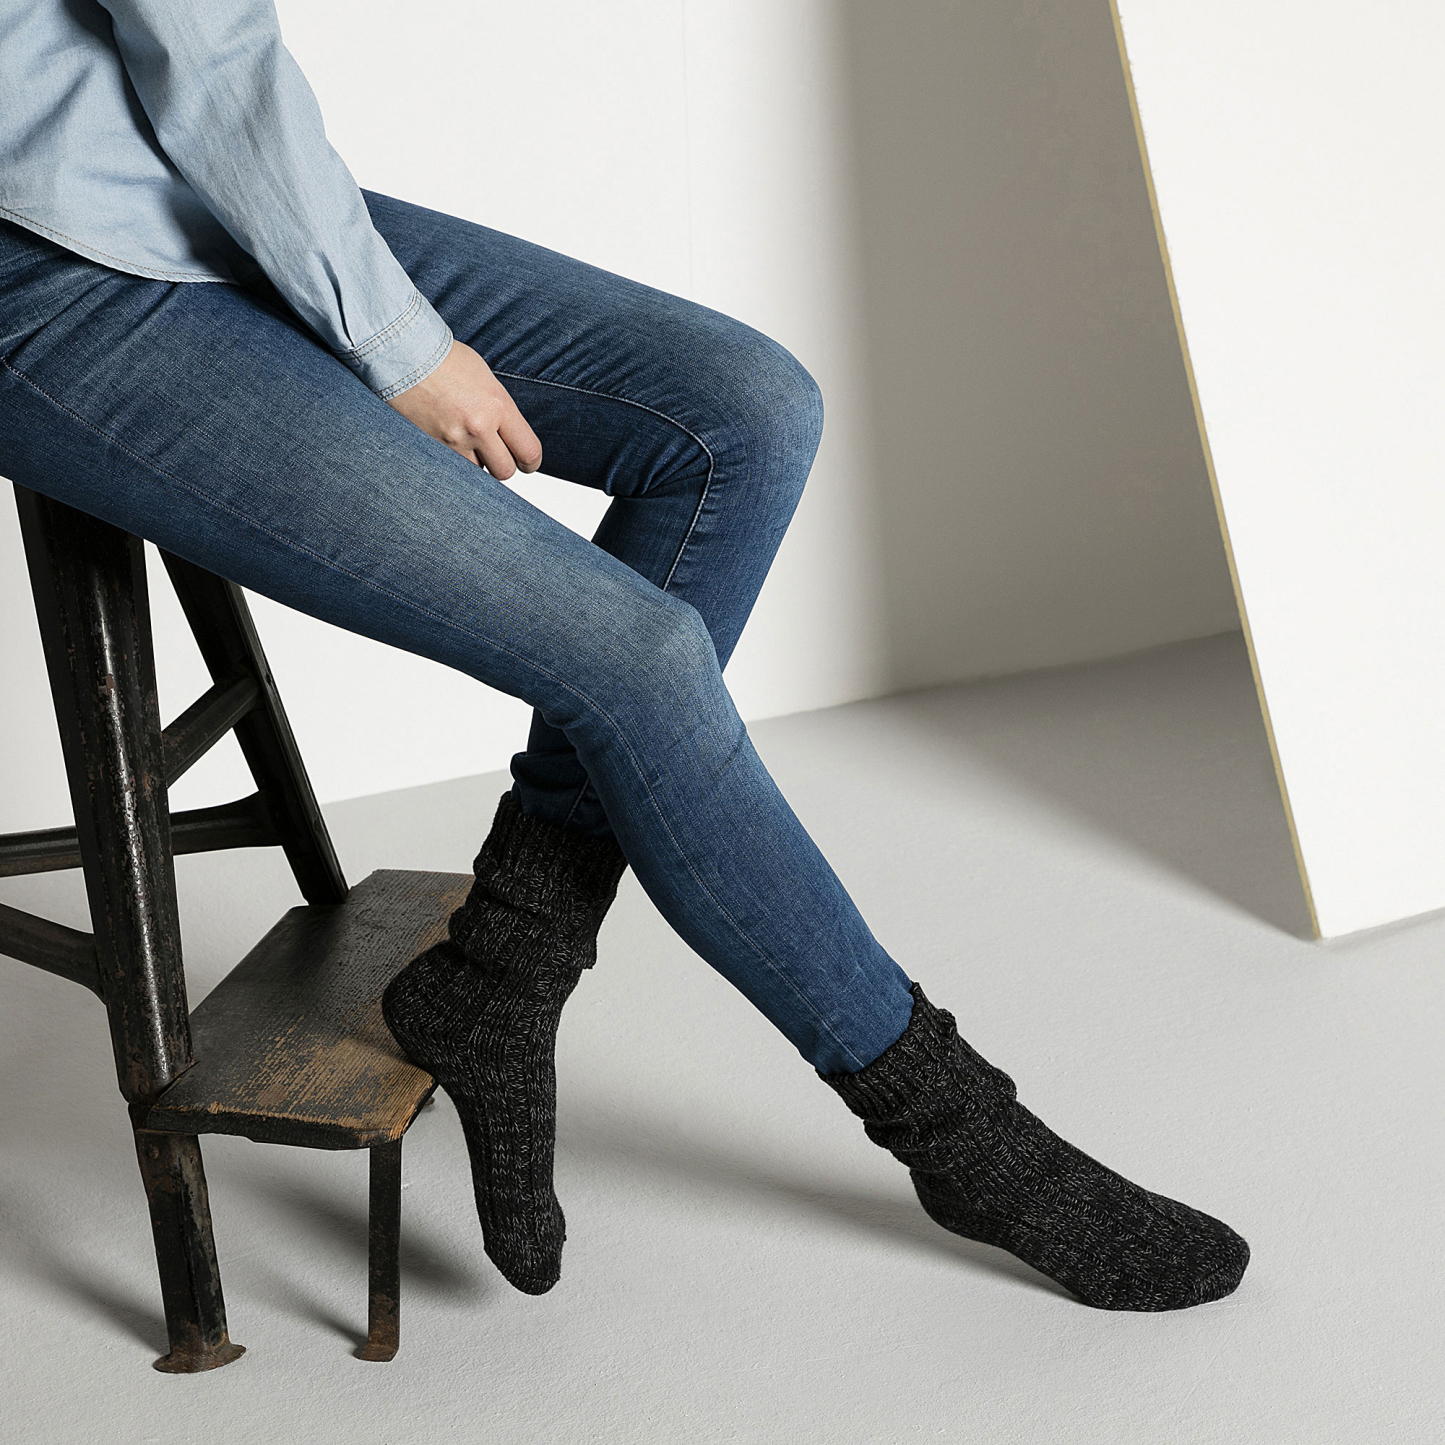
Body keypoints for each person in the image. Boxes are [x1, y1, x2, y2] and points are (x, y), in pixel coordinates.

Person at [0, 0, 1248, 1313]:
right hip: (43, 271)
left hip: (181, 180)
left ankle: (506, 963)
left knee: (744, 414)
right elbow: (207, 54)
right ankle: (958, 1133)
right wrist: (400, 348)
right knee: (636, 657)